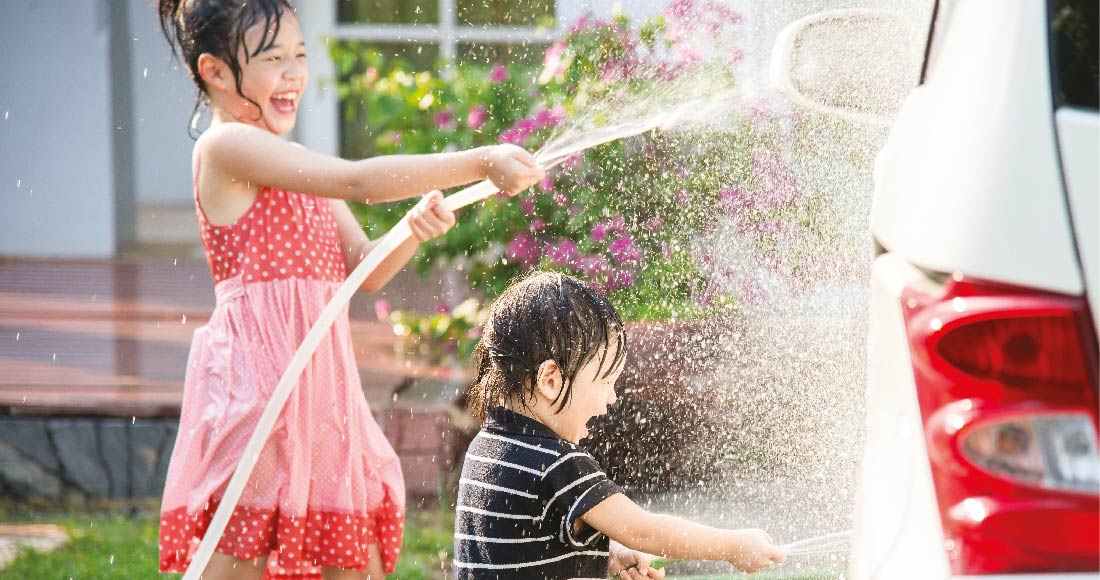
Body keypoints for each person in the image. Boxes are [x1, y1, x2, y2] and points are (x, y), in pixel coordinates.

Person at [154, 1, 545, 579]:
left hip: (321, 388)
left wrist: (412, 230)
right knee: (241, 552)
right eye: (272, 58)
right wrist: (481, 160)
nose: (292, 73)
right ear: (214, 71)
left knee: (349, 554)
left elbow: (368, 267)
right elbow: (360, 182)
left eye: (300, 56)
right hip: (260, 382)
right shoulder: (225, 147)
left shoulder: (294, 165)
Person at [454, 272, 787, 580]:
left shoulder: (486, 449)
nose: (612, 398)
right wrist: (731, 545)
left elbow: (520, 547)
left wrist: (607, 554)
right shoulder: (558, 465)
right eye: (605, 381)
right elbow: (643, 530)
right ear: (551, 380)